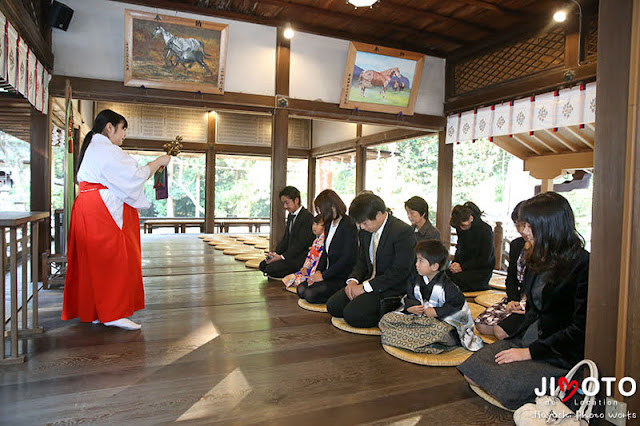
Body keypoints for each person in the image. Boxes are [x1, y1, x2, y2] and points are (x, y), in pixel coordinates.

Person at [457, 192, 590, 410]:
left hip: (556, 353)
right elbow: (533, 308)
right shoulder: (538, 255)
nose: (524, 231)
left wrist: (528, 353)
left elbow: (579, 329)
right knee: (471, 370)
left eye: (529, 225)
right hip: (528, 336)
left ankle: (563, 384)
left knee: (506, 383)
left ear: (549, 225)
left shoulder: (582, 264)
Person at [62, 109, 171, 330]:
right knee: (113, 257)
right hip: (103, 209)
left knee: (93, 261)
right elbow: (135, 175)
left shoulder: (95, 147)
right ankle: (112, 311)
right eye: (122, 130)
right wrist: (159, 161)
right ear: (109, 127)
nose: (123, 136)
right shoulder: (106, 150)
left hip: (88, 205)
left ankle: (97, 310)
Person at [326, 193, 416, 328]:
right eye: (359, 224)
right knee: (333, 306)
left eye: (364, 223)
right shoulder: (365, 232)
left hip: (391, 287)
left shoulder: (402, 231)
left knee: (352, 315)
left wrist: (364, 288)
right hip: (369, 281)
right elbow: (362, 260)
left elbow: (400, 272)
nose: (362, 227)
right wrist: (353, 281)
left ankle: (395, 311)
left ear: (379, 215)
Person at [379, 240, 483, 353]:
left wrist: (437, 311)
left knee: (440, 331)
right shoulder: (415, 280)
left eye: (421, 261)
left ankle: (409, 338)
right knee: (386, 319)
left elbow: (458, 308)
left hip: (441, 324)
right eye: (417, 260)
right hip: (419, 320)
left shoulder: (449, 286)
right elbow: (409, 297)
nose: (416, 264)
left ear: (434, 266)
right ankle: (426, 343)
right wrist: (411, 307)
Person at [475, 201, 529, 339]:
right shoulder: (517, 245)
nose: (522, 230)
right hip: (516, 298)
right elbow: (511, 277)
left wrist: (523, 303)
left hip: (529, 305)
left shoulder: (541, 249)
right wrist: (512, 299)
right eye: (518, 225)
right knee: (481, 325)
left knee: (499, 331)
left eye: (525, 225)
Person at [297, 190, 358, 304]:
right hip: (327, 274)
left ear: (333, 206)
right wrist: (318, 272)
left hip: (340, 276)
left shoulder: (348, 224)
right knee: (301, 289)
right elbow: (324, 253)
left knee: (310, 294)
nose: (321, 214)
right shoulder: (329, 224)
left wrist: (323, 276)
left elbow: (347, 258)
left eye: (322, 210)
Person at [260, 186, 315, 278]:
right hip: (289, 254)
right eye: (283, 203)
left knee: (271, 269)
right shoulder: (290, 216)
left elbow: (301, 244)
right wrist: (276, 254)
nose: (285, 206)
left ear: (296, 200)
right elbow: (286, 239)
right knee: (263, 264)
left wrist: (282, 257)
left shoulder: (307, 217)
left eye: (287, 203)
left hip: (300, 257)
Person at [447, 202, 496, 292]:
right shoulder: (461, 228)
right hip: (464, 266)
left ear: (471, 218)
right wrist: (455, 263)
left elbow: (485, 259)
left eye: (464, 225)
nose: (461, 228)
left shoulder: (485, 230)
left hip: (481, 269)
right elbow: (459, 248)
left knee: (457, 280)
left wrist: (462, 267)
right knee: (444, 276)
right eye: (459, 227)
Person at [282, 215, 325, 288]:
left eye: (317, 224)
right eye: (313, 224)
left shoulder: (324, 241)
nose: (314, 227)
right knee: (288, 278)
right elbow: (309, 256)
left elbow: (319, 260)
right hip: (310, 268)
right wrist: (305, 268)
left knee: (298, 281)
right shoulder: (316, 241)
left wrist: (309, 271)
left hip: (315, 270)